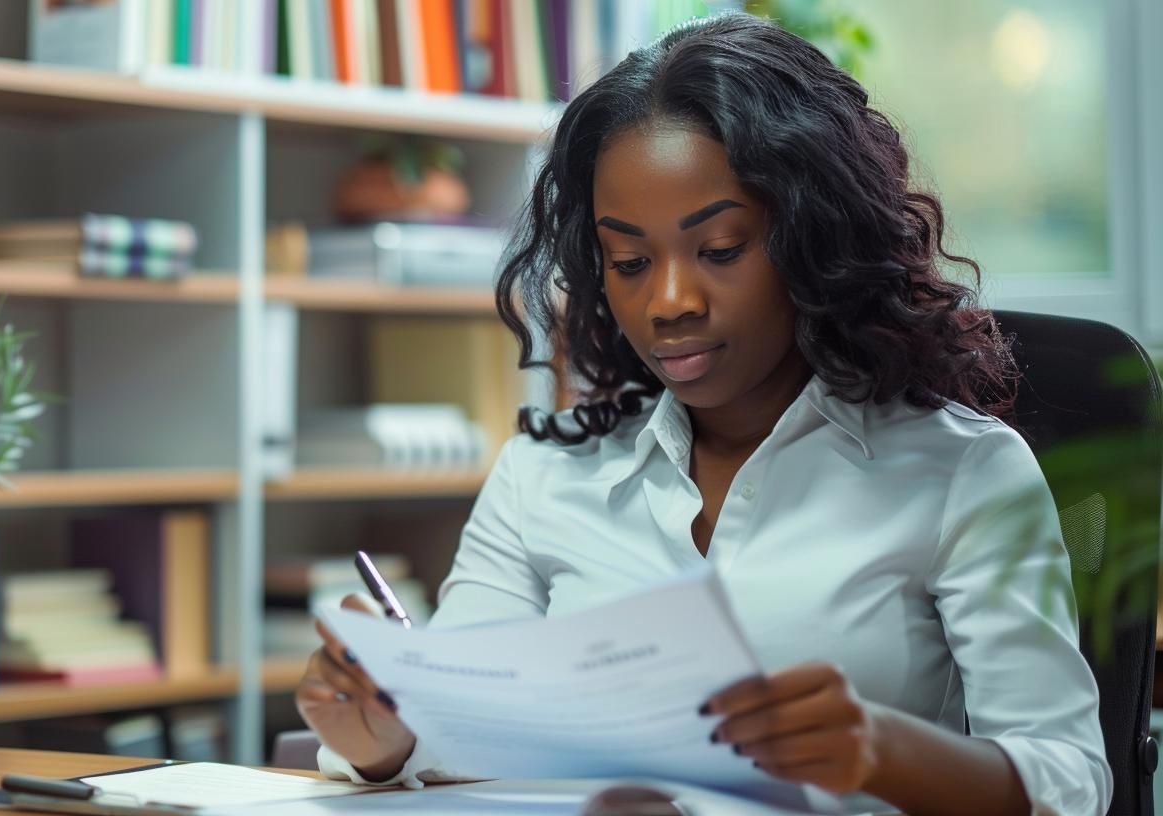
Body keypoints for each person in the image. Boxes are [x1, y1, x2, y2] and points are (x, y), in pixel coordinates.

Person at [294, 12, 1109, 816]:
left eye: (719, 250)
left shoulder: (963, 473)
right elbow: (454, 734)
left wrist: (882, 750)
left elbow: (1069, 782)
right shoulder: (545, 477)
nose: (670, 302)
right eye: (631, 262)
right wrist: (381, 738)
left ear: (816, 239)